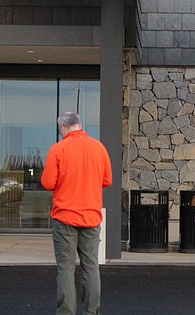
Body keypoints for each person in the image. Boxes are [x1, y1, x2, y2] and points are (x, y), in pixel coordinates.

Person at [41, 112, 112, 315]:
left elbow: (47, 183)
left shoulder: (59, 149)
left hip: (65, 217)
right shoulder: (99, 148)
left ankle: (66, 312)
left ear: (63, 127)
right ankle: (92, 311)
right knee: (91, 267)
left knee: (66, 268)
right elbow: (107, 180)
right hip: (91, 216)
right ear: (80, 125)